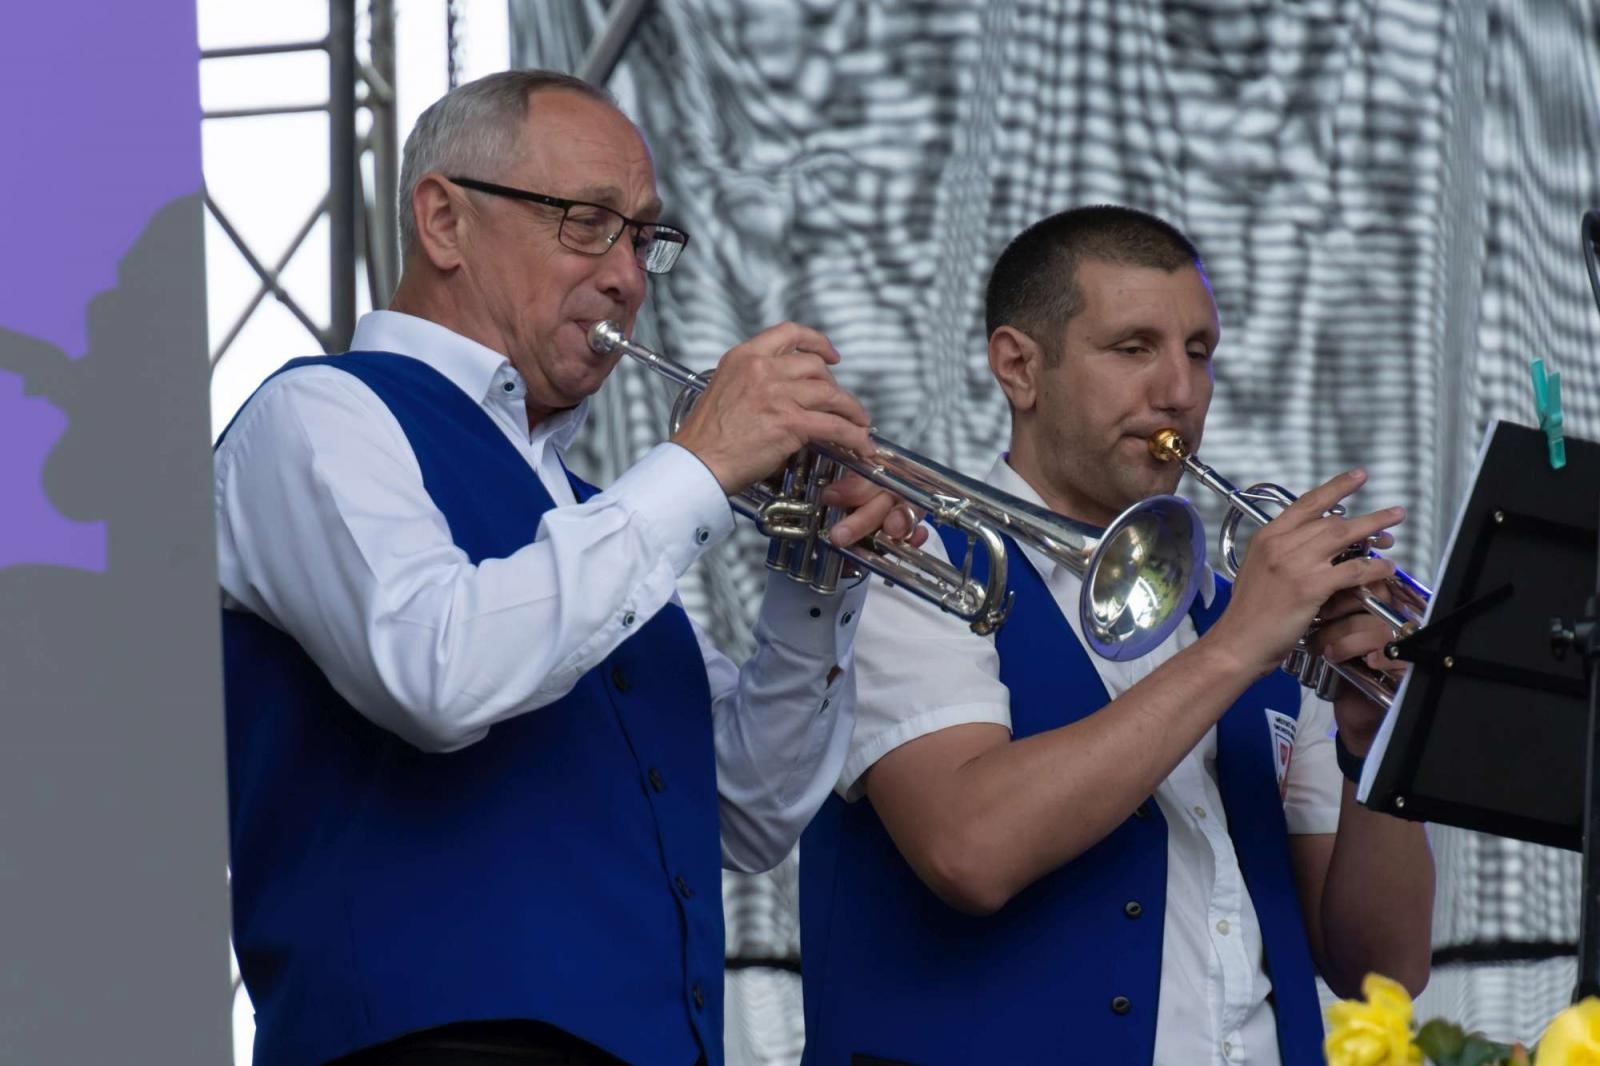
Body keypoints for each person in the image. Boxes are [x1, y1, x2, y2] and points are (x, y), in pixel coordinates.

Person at [216, 69, 919, 1066]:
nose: (628, 275)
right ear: (444, 220)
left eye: (643, 237)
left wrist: (818, 579)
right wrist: (701, 465)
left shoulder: (598, 519)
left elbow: (751, 812)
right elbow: (436, 671)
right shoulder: (322, 415)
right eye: (588, 222)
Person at [799, 205, 1435, 1065]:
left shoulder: (1255, 620)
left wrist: (1378, 748)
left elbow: (1381, 967)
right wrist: (1238, 645)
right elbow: (969, 849)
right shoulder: (911, 557)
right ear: (1019, 367)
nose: (1179, 390)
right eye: (1134, 348)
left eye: (1199, 352)